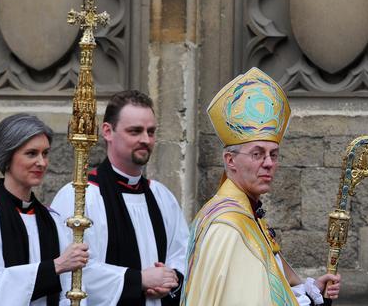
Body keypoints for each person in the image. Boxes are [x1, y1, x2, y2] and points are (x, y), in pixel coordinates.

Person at [181, 67, 341, 306]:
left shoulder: (249, 214)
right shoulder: (227, 227)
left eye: (273, 155)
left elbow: (266, 288)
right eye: (257, 154)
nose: (268, 163)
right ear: (230, 160)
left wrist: (308, 293)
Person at [51, 90, 189, 306]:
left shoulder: (162, 197)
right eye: (135, 131)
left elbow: (182, 254)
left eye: (151, 132)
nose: (146, 140)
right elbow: (72, 272)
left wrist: (170, 279)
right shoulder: (79, 196)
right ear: (107, 131)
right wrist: (139, 280)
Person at [0, 113, 89, 305]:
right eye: (31, 153)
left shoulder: (53, 220)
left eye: (45, 153)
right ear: (7, 157)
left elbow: (71, 288)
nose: (42, 163)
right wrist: (55, 266)